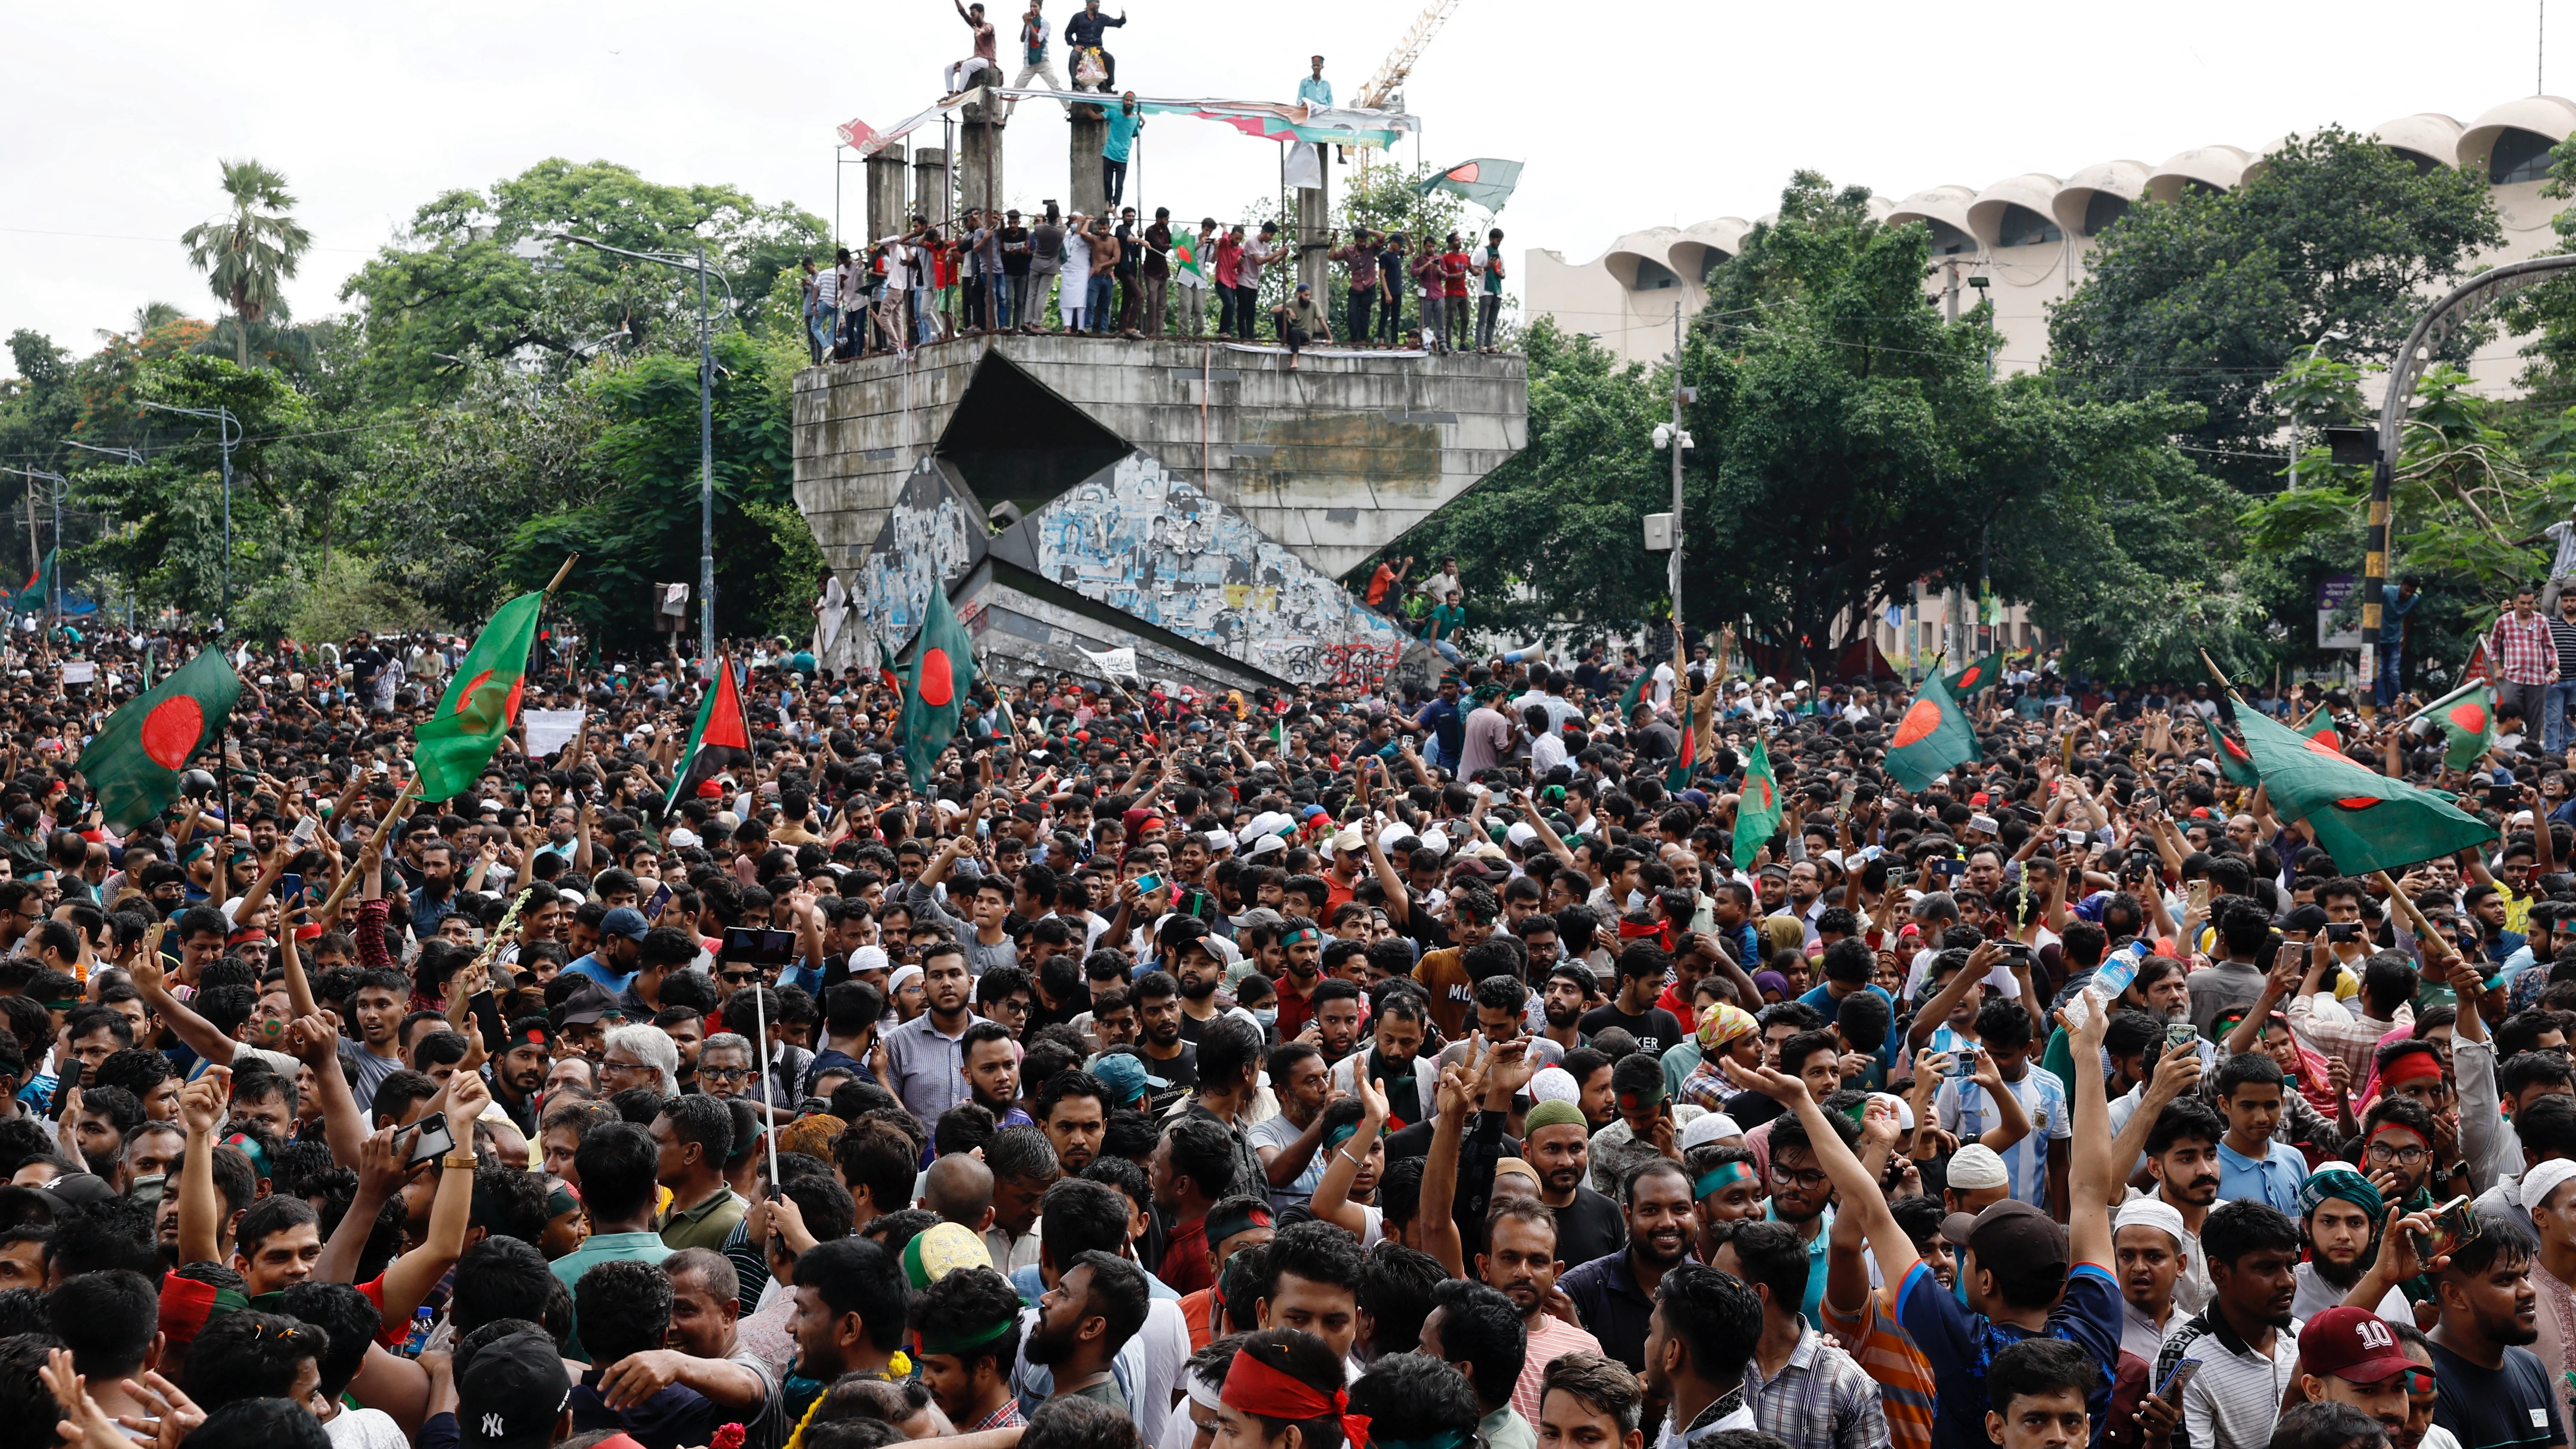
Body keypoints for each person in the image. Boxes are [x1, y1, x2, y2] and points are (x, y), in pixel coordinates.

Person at [1273, 283, 1330, 371]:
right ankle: (1282, 340)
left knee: (1295, 331)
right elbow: (1272, 310)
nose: (1308, 298)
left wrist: (1330, 339)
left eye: (1309, 295)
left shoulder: (1313, 305)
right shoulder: (1292, 303)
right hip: (1293, 333)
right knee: (1279, 315)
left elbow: (1322, 322)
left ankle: (1295, 360)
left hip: (1305, 336)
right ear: (1299, 294)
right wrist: (1289, 310)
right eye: (1306, 295)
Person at [1012, 0, 1065, 92]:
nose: (1033, 9)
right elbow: (1022, 39)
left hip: (1042, 61)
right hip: (1029, 63)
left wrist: (1029, 24)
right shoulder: (1030, 22)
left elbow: (1038, 39)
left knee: (1055, 87)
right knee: (1016, 90)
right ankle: (1009, 107)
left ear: (1040, 8)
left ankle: (1068, 107)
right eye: (1031, 7)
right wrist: (1026, 24)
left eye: (1035, 7)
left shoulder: (1045, 23)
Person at [1102, 93, 1142, 209]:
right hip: (1109, 154)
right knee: (1108, 182)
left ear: (1134, 103)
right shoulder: (1114, 113)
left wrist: (1142, 123)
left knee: (1119, 185)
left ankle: (1116, 207)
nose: (1129, 103)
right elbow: (1096, 117)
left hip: (1123, 157)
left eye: (1131, 101)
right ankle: (1109, 204)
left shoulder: (1135, 119)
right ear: (1123, 102)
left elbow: (1135, 134)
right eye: (1127, 100)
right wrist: (1085, 105)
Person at [1476, 230, 1507, 353]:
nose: (1499, 243)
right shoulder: (1483, 253)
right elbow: (1475, 269)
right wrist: (1488, 266)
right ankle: (1480, 344)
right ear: (1492, 239)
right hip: (1486, 290)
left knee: (1492, 321)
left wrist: (1501, 274)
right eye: (1498, 241)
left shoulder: (1500, 255)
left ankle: (1489, 344)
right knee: (1483, 319)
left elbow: (1504, 273)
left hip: (1497, 290)